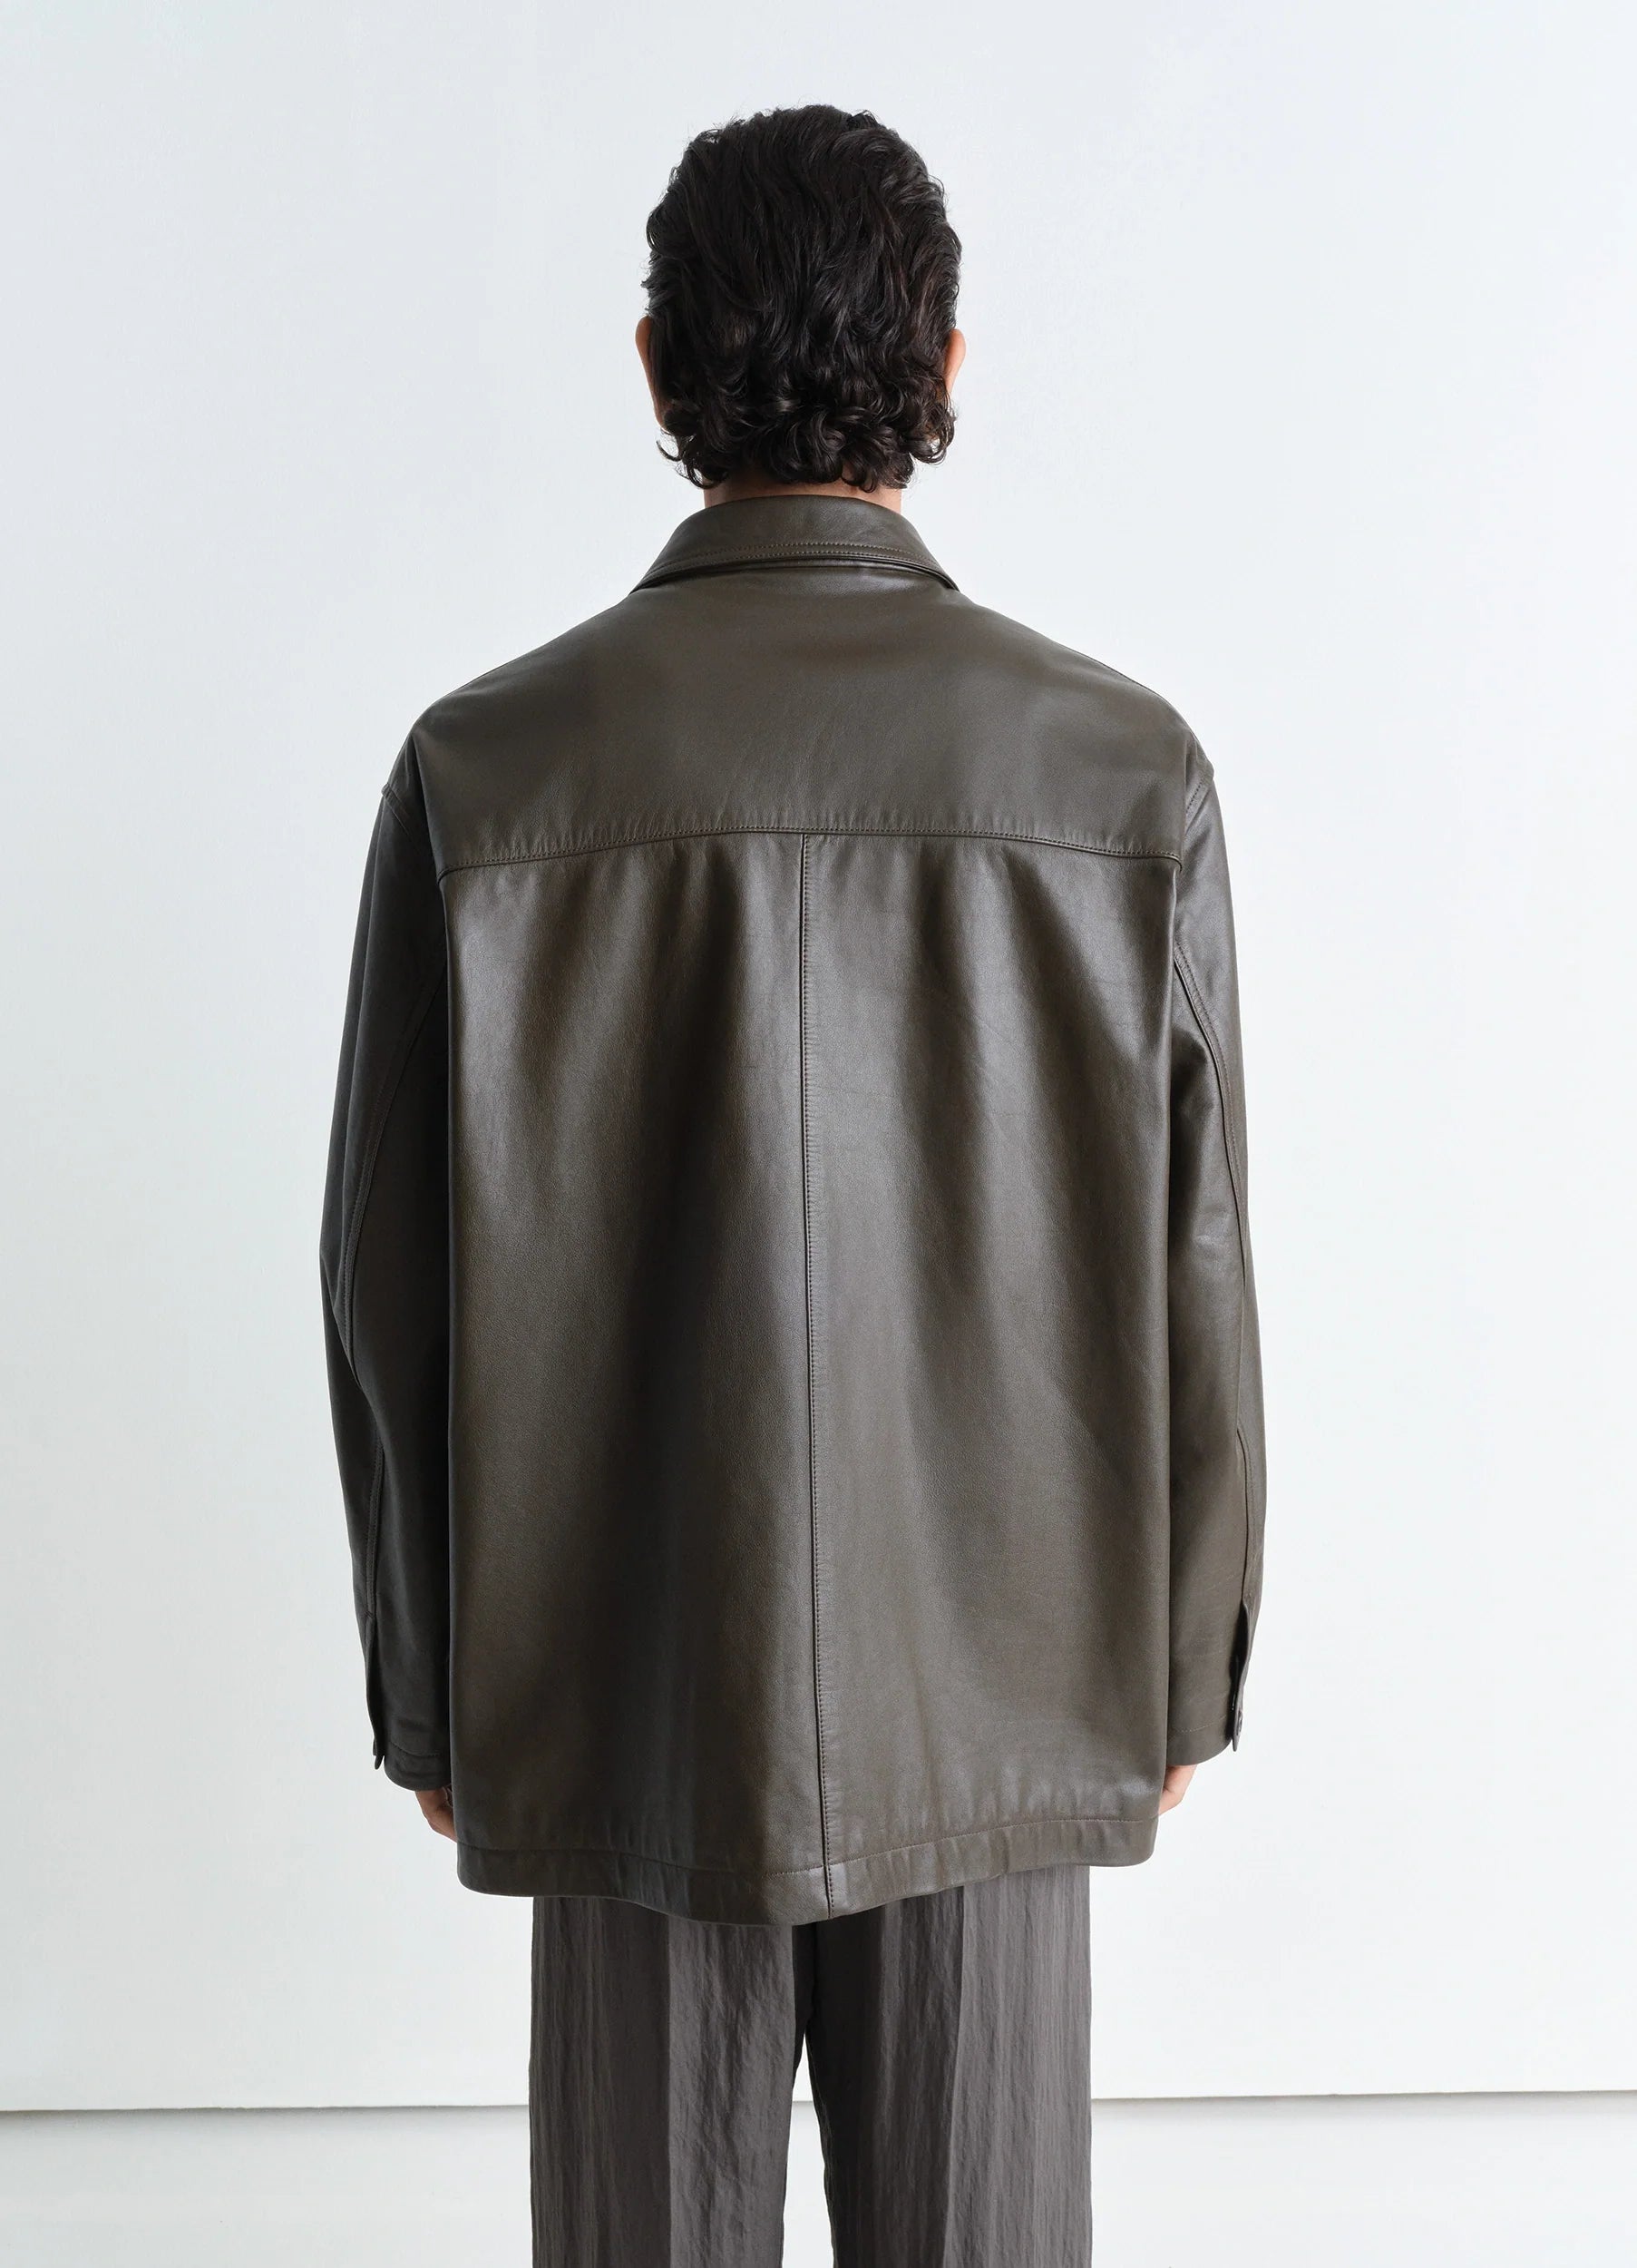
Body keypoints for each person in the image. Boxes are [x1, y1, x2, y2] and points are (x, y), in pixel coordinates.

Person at [320, 102, 1266, 2267]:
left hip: (622, 1683)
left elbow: (391, 1286)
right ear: (949, 369)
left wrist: (435, 1687)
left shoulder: (490, 767)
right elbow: (1196, 1252)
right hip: (1013, 1680)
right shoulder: (1123, 772)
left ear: (659, 364)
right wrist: (1178, 1664)